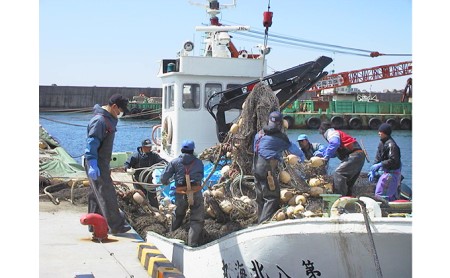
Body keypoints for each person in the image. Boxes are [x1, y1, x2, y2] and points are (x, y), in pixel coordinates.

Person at [84, 93, 131, 234]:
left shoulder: (107, 119)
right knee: (106, 193)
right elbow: (92, 142)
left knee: (95, 194)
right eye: (119, 111)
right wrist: (92, 163)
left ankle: (93, 223)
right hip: (96, 162)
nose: (120, 114)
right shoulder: (100, 121)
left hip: (101, 162)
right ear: (114, 106)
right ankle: (116, 226)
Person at [253, 111, 306, 224]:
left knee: (260, 196)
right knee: (272, 196)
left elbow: (258, 149)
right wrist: (303, 160)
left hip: (255, 167)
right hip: (267, 169)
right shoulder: (281, 137)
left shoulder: (259, 134)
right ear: (280, 123)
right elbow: (295, 151)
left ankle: (258, 220)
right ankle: (263, 224)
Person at [160, 140, 204, 247]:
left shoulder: (174, 162)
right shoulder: (199, 162)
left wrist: (166, 181)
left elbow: (163, 178)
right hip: (195, 192)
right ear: (193, 150)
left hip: (181, 193)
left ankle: (171, 237)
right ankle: (192, 244)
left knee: (178, 214)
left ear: (181, 150)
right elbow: (201, 175)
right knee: (196, 219)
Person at [317, 121, 365, 196]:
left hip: (354, 156)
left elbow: (334, 143)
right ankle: (348, 202)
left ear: (323, 132)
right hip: (359, 157)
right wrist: (323, 154)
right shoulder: (337, 134)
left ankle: (338, 199)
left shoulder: (331, 132)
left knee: (338, 174)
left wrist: (326, 157)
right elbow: (334, 151)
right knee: (348, 182)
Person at [124, 139, 167, 208]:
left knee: (153, 199)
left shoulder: (154, 156)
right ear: (143, 147)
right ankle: (140, 211)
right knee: (139, 198)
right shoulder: (135, 156)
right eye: (148, 147)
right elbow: (127, 164)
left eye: (150, 146)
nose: (150, 148)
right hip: (138, 181)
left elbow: (162, 161)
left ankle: (156, 211)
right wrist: (128, 169)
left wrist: (166, 165)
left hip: (149, 181)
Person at [369, 123, 402, 201]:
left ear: (385, 133)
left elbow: (393, 160)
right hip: (385, 171)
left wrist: (380, 164)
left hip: (392, 172)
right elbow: (378, 157)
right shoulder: (381, 143)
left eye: (380, 131)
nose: (378, 133)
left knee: (381, 193)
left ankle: (387, 207)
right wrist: (373, 170)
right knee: (380, 190)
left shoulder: (392, 145)